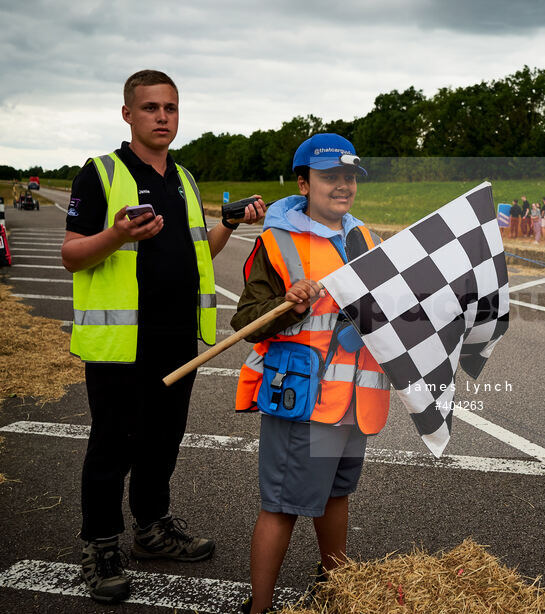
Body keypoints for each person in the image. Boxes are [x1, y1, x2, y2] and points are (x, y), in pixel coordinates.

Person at [61, 70, 265, 604]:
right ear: (128, 114)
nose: (162, 117)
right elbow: (70, 255)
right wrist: (117, 233)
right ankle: (101, 544)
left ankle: (151, 530)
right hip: (122, 343)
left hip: (178, 339)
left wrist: (230, 223)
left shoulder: (186, 179)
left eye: (170, 108)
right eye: (150, 108)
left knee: (161, 442)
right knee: (113, 444)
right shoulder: (100, 174)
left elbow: (201, 255)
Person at [232, 134, 390, 614]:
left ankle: (336, 584)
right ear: (304, 183)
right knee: (281, 506)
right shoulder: (276, 240)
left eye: (348, 177)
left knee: (336, 494)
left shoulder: (366, 238)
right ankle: (259, 607)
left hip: (352, 401)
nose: (341, 187)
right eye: (329, 177)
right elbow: (245, 319)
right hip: (300, 397)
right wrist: (287, 303)